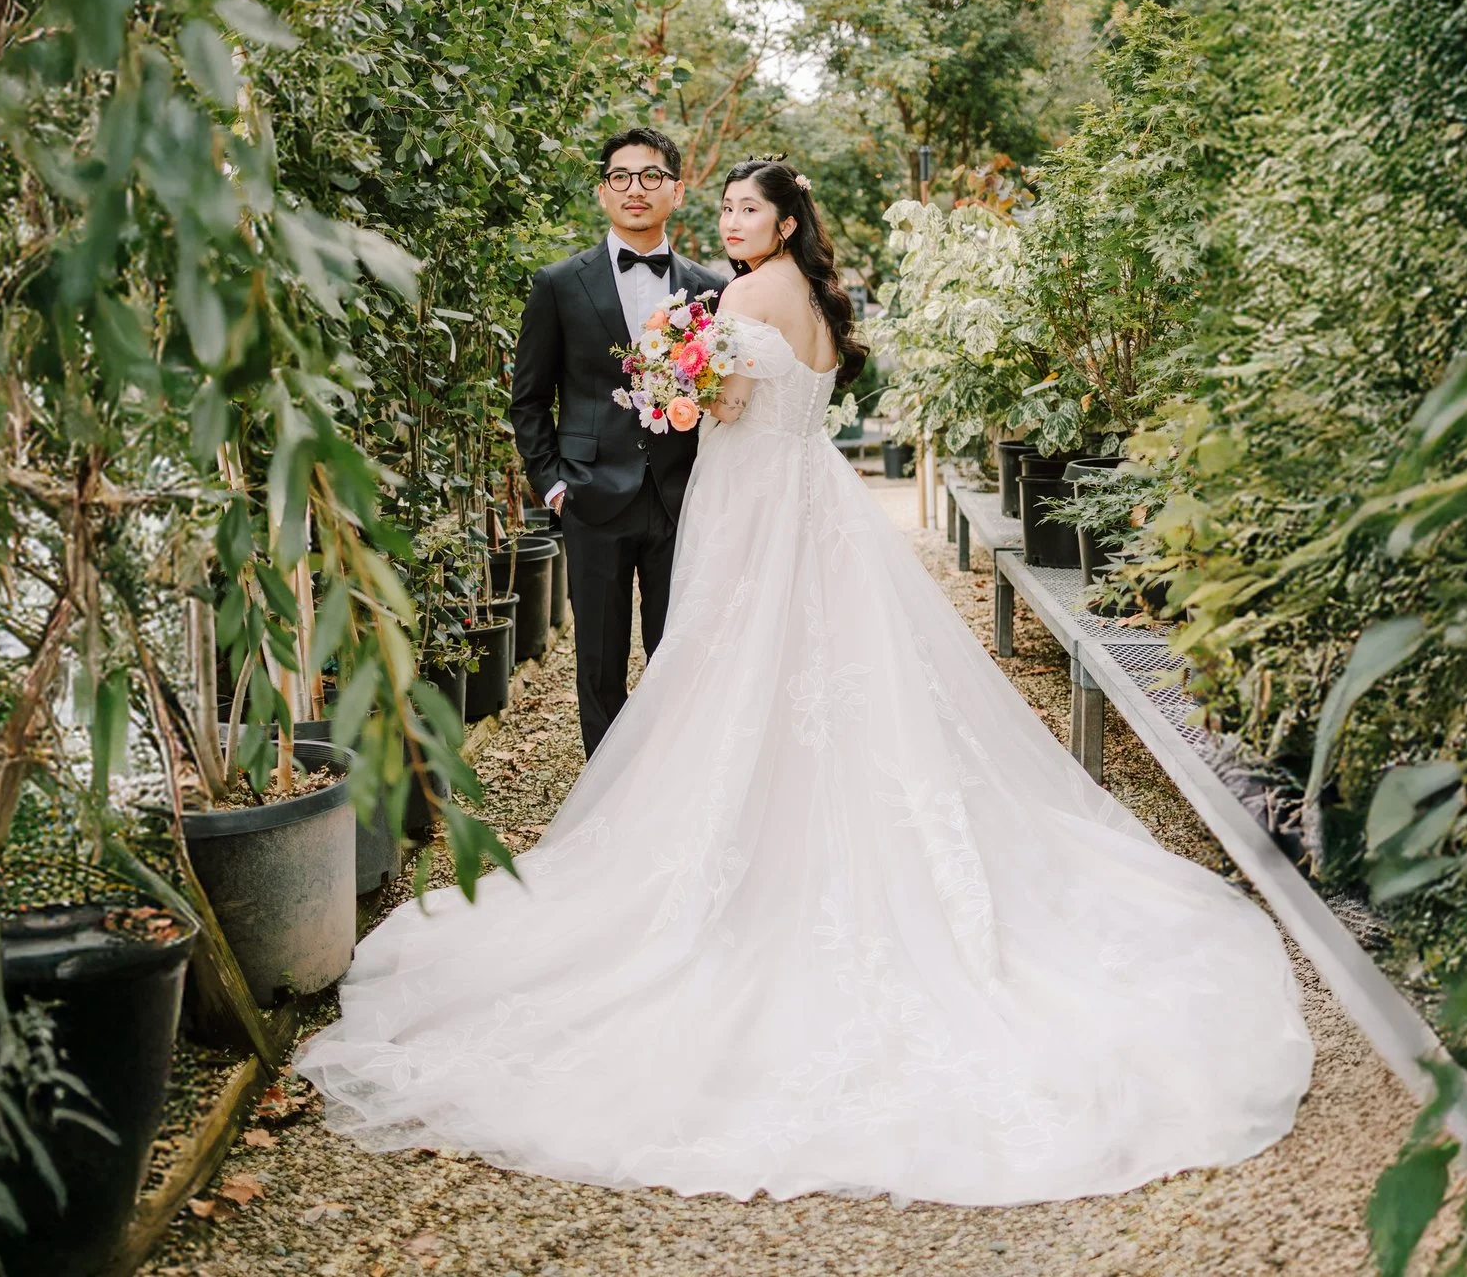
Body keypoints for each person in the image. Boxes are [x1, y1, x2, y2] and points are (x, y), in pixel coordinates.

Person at [300, 160, 1314, 1205]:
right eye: (727, 207)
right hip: (810, 499)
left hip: (752, 509)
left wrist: (674, 387)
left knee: (735, 665)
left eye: (749, 208)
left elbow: (721, 408)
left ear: (784, 222)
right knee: (823, 673)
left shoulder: (743, 296)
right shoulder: (823, 303)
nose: (732, 220)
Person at [508, 126, 728, 755]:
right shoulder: (558, 283)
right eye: (622, 176)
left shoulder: (711, 290)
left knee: (678, 653)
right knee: (599, 660)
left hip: (682, 497)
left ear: (677, 192)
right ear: (603, 191)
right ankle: (605, 790)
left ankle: (671, 778)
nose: (637, 188)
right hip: (589, 494)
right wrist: (552, 483)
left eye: (652, 176)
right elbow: (529, 397)